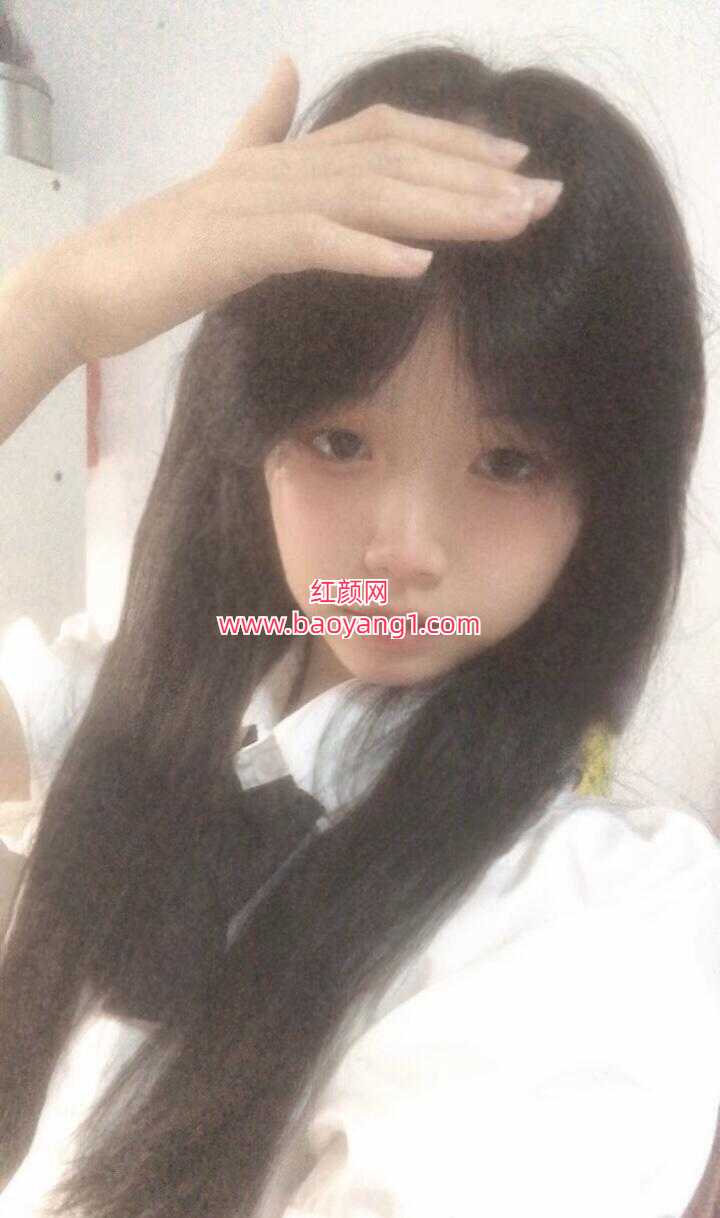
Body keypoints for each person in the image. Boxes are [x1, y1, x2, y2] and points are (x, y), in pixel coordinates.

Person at [0, 39, 719, 1218]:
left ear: (606, 499)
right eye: (341, 440)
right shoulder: (135, 704)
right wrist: (54, 305)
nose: (407, 548)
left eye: (508, 462)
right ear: (253, 433)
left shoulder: (588, 917)